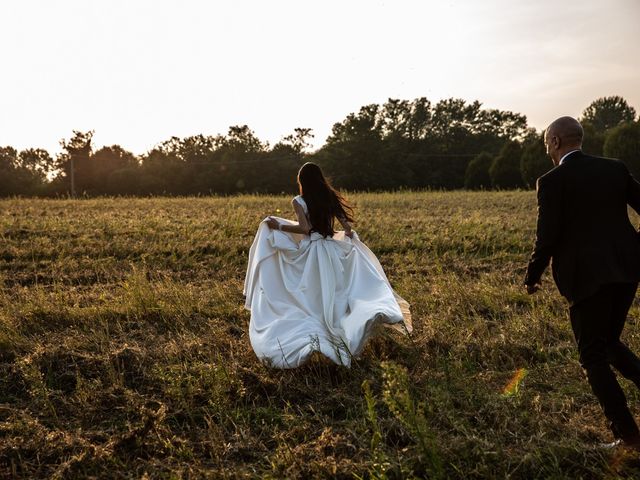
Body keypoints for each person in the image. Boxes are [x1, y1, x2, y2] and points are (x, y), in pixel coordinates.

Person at [524, 116, 640, 449]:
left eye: (547, 144)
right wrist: (635, 246)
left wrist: (533, 276)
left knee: (592, 355)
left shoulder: (551, 181)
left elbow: (546, 238)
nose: (547, 150)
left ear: (557, 142)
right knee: (608, 343)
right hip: (627, 271)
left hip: (587, 278)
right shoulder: (614, 168)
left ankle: (627, 436)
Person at [244, 162, 411, 368]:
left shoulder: (299, 201)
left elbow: (305, 229)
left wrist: (278, 225)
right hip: (331, 251)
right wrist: (349, 240)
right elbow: (347, 229)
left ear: (302, 181)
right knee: (337, 294)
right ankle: (347, 330)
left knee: (311, 297)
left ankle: (319, 336)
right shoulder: (330, 197)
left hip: (312, 253)